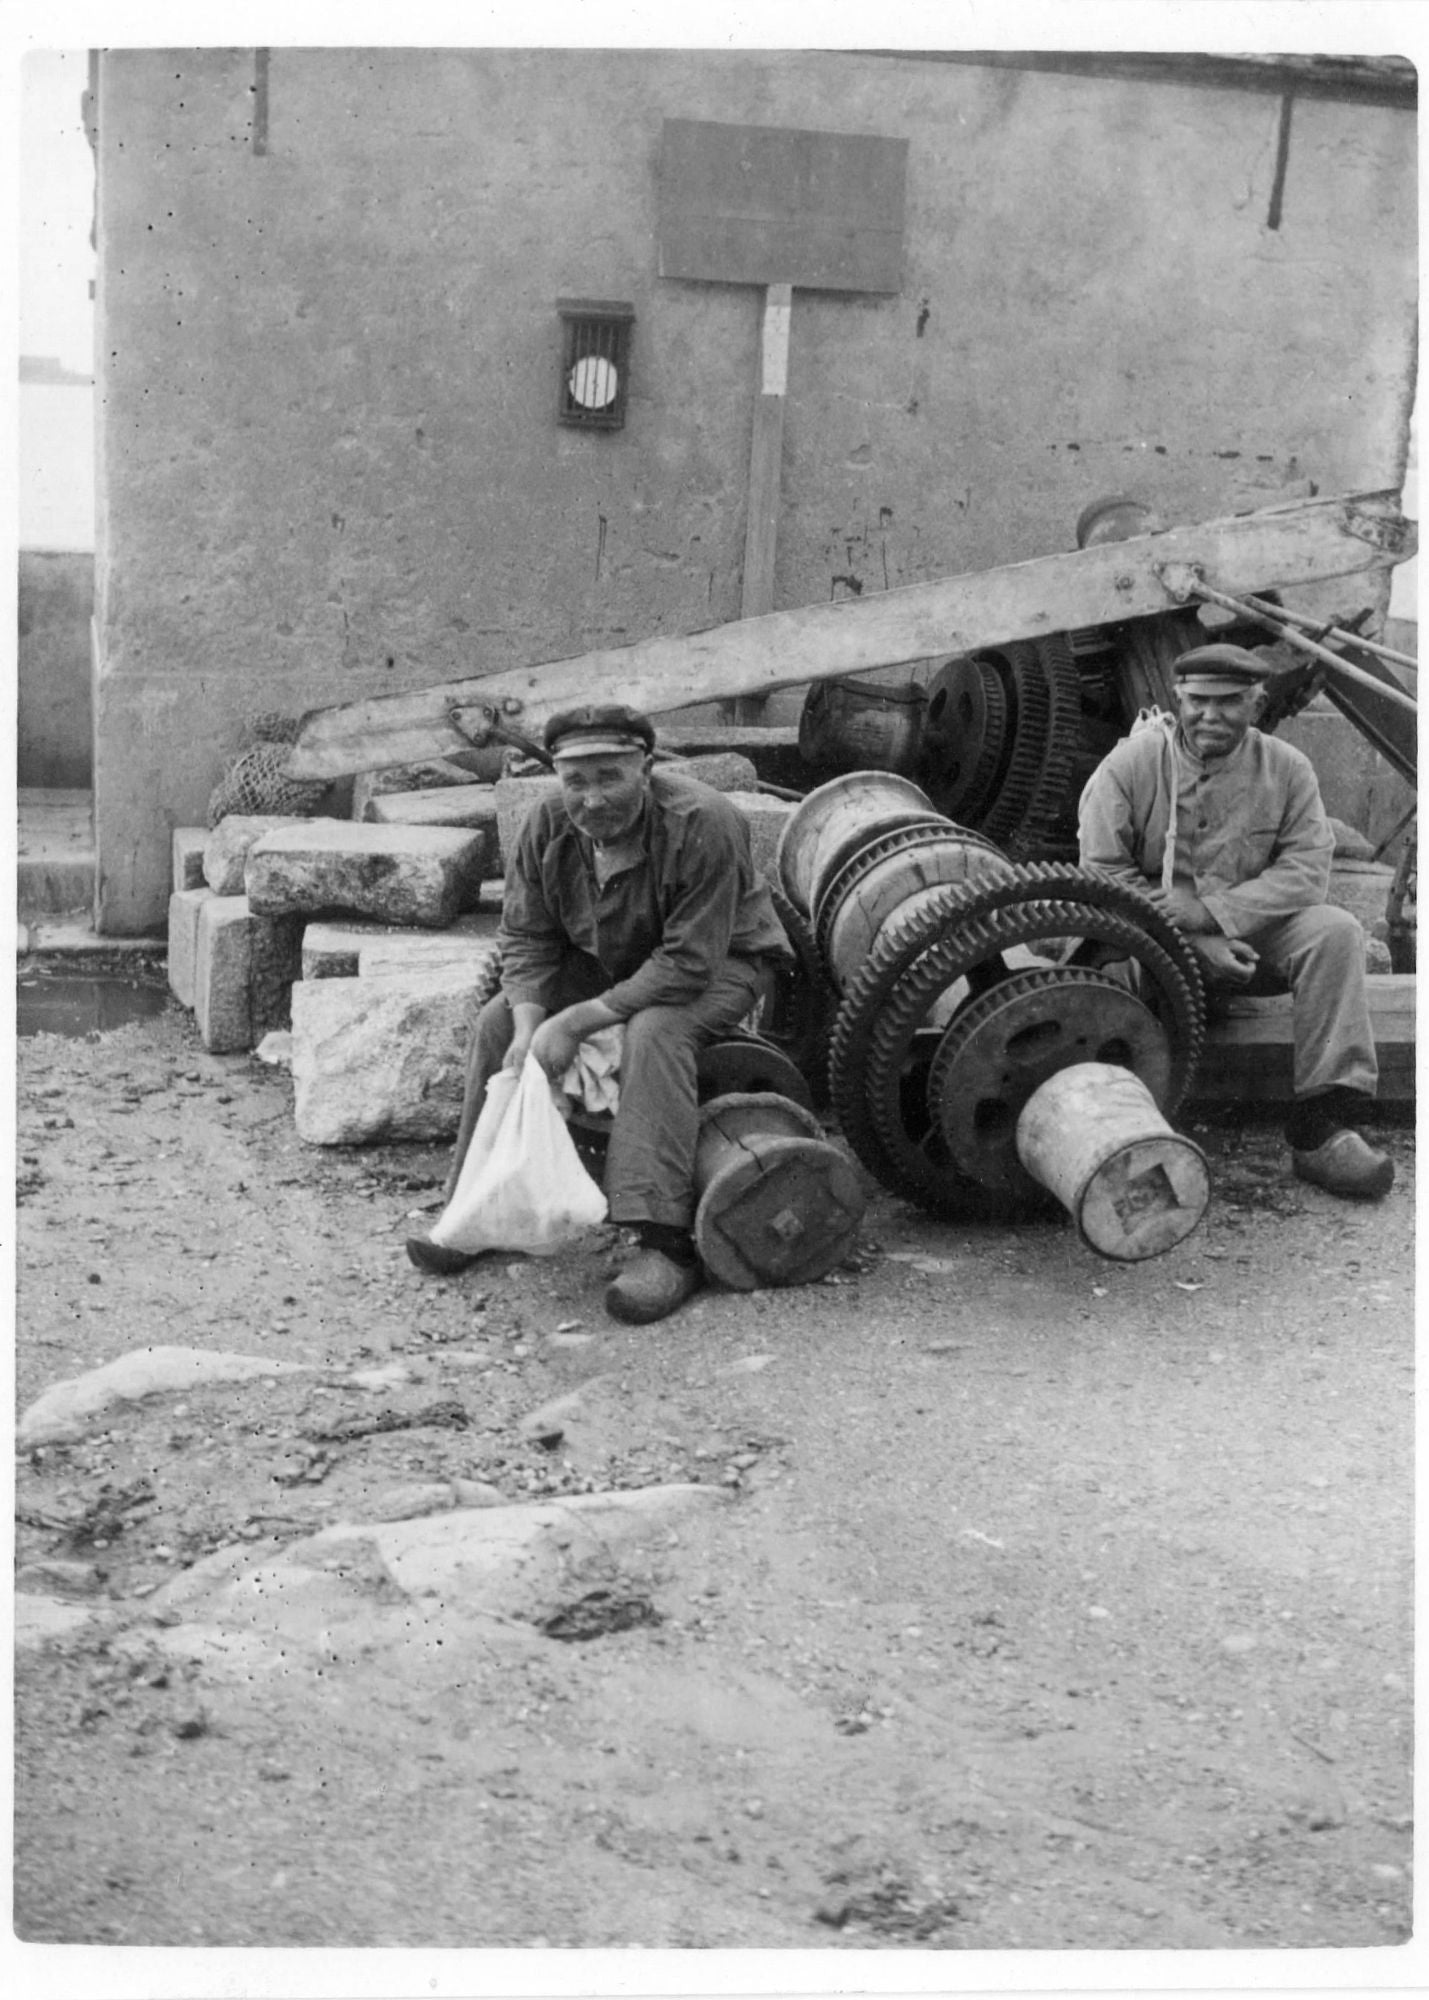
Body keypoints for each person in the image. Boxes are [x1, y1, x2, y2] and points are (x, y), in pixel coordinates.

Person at [407, 703, 793, 1320]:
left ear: (645, 767)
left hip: (723, 962)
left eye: (610, 777)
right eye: (576, 781)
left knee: (656, 1030)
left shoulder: (703, 822)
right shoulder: (547, 825)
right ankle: (472, 1206)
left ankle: (663, 1242)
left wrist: (576, 1021)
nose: (592, 799)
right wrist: (532, 1025)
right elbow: (528, 939)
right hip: (610, 963)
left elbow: (689, 962)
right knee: (497, 1023)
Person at [1077, 643, 1393, 1199]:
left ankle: (1323, 1128)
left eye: (1229, 702)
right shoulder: (1130, 765)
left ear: (1257, 702)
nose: (1210, 715)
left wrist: (1215, 916)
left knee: (1335, 930)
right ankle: (1128, 1128)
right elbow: (1101, 873)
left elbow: (1304, 871)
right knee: (1106, 964)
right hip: (1150, 941)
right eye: (1198, 701)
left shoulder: (1288, 769)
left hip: (1250, 943)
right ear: (1177, 699)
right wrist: (1190, 940)